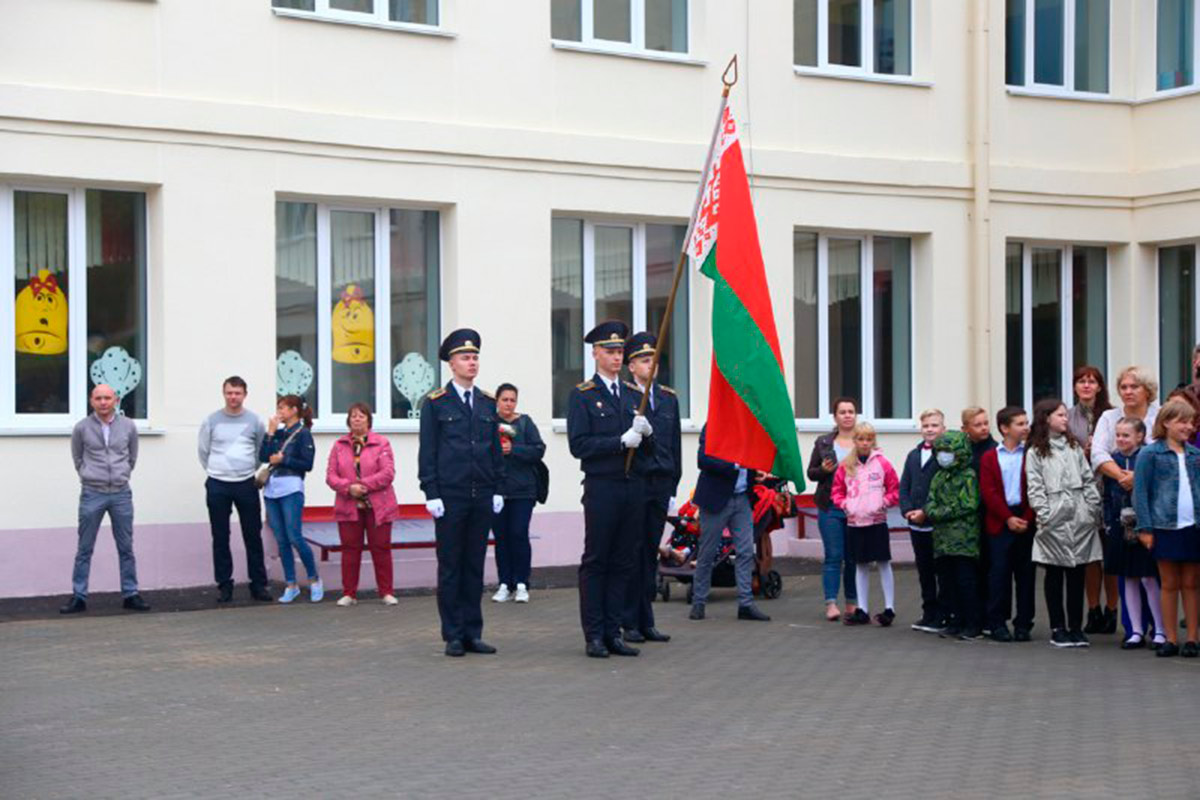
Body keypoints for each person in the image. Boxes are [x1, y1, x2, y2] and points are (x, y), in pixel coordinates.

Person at [566, 320, 656, 659]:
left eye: (620, 351)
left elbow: (650, 449)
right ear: (595, 354)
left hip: (632, 486)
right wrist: (619, 441)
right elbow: (579, 444)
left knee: (623, 561)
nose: (617, 357)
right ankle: (594, 634)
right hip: (602, 486)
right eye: (610, 351)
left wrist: (647, 434)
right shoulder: (583, 396)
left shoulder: (634, 395)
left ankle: (614, 632)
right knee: (597, 560)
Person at [419, 328, 505, 657]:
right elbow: (428, 451)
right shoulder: (436, 404)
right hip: (450, 496)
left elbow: (494, 449)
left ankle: (473, 632)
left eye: (475, 357)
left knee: (474, 565)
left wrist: (498, 486)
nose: (472, 363)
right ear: (451, 364)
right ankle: (453, 634)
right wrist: (431, 492)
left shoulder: (486, 403)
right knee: (451, 565)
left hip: (481, 493)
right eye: (465, 358)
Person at [60, 384, 150, 614]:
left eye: (107, 398)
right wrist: (88, 476)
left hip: (121, 493)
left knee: (126, 547)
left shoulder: (128, 426)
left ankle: (131, 594)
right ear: (91, 401)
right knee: (84, 548)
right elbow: (77, 458)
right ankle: (79, 596)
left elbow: (132, 457)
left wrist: (122, 474)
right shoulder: (81, 428)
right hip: (93, 493)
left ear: (116, 400)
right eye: (98, 398)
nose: (103, 402)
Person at [1026, 399, 1104, 649]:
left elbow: (1088, 478)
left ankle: (1075, 627)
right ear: (1046, 418)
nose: (1065, 419)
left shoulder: (1073, 447)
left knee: (1077, 572)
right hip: (1054, 517)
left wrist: (1091, 508)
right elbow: (1035, 486)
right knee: (1054, 572)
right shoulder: (1035, 451)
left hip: (1080, 515)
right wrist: (1045, 513)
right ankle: (1058, 627)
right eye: (1060, 415)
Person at [621, 332, 681, 644]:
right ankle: (628, 620)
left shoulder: (668, 397)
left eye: (654, 358)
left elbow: (673, 446)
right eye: (645, 360)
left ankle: (647, 620)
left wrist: (673, 488)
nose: (651, 364)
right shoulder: (626, 397)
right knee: (632, 553)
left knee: (650, 554)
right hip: (636, 484)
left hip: (660, 483)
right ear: (631, 366)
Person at [1090, 366, 1160, 633]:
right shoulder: (1109, 417)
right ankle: (1133, 628)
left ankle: (1159, 626)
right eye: (1124, 387)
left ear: (1147, 390)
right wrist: (1123, 476)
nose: (1128, 392)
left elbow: (1163, 450)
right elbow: (1098, 453)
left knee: (1151, 565)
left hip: (1152, 500)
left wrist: (1139, 478)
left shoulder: (1158, 414)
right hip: (1117, 498)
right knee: (1124, 563)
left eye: (1134, 387)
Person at [1132, 399, 1200, 658]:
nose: (1188, 426)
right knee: (1169, 583)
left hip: (1192, 526)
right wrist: (1145, 528)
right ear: (1166, 423)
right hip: (1163, 526)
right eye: (1183, 421)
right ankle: (1170, 638)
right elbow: (1141, 492)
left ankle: (1192, 637)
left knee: (1192, 583)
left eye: (1191, 421)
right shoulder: (1150, 454)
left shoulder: (1195, 455)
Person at [198, 376, 271, 603]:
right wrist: (217, 470)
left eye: (237, 393)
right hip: (218, 484)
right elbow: (203, 451)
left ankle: (258, 585)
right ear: (224, 393)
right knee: (220, 536)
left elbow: (261, 452)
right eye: (229, 393)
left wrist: (247, 469)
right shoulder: (211, 420)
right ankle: (224, 585)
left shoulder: (255, 421)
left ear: (245, 395)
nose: (233, 397)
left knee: (253, 535)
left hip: (246, 483)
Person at [689, 425, 772, 623]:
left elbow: (751, 458)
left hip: (742, 497)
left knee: (745, 551)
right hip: (716, 499)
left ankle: (745, 604)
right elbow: (703, 460)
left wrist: (754, 471)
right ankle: (698, 602)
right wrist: (735, 465)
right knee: (707, 553)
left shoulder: (748, 428)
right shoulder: (714, 425)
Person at [326, 402, 398, 607]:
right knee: (350, 549)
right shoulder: (339, 445)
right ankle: (349, 593)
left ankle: (386, 592)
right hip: (349, 506)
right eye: (353, 416)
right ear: (348, 420)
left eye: (361, 416)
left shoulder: (381, 443)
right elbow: (331, 476)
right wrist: (349, 488)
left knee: (381, 548)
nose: (357, 419)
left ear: (369, 420)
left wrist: (363, 485)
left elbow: (388, 473)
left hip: (379, 506)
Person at [1102, 417, 1164, 650]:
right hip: (1120, 527)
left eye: (1126, 435)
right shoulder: (1113, 461)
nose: (1120, 439)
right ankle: (1135, 630)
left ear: (1140, 436)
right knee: (1128, 577)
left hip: (1144, 526)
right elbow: (1107, 495)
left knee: (1149, 577)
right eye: (1118, 435)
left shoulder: (1148, 458)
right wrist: (1109, 522)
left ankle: (1159, 628)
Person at [831, 422, 900, 626]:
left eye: (868, 439)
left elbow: (894, 489)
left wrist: (884, 503)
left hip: (876, 521)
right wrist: (846, 505)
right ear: (854, 441)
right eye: (860, 439)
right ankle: (862, 609)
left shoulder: (883, 463)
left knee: (883, 563)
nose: (864, 443)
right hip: (855, 522)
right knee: (860, 564)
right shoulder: (845, 465)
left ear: (873, 441)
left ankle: (890, 608)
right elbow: (837, 491)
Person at [979, 407, 1036, 642]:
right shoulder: (991, 456)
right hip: (1000, 520)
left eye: (1026, 423)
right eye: (1020, 423)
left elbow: (1036, 486)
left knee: (1025, 575)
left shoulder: (1031, 453)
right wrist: (1007, 518)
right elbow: (989, 491)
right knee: (999, 575)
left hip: (1026, 517)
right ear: (1004, 428)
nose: (1026, 427)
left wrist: (1027, 517)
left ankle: (1024, 623)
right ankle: (997, 623)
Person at [261, 395, 321, 603]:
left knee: (294, 536)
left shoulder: (303, 434)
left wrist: (284, 459)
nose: (279, 412)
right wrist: (269, 432)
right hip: (271, 489)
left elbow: (307, 463)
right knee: (281, 539)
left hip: (291, 488)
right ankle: (291, 584)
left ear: (294, 410)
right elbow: (263, 455)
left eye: (283, 408)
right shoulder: (278, 433)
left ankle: (314, 579)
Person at [491, 383, 546, 605]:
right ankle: (505, 583)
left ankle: (522, 583)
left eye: (512, 400)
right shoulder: (490, 423)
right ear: (497, 401)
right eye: (504, 399)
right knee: (501, 537)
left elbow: (538, 449)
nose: (508, 404)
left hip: (524, 490)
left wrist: (514, 450)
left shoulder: (525, 422)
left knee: (518, 533)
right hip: (497, 491)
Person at [924, 431, 981, 640]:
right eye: (940, 451)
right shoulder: (939, 476)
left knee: (966, 581)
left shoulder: (968, 475)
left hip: (964, 540)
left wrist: (940, 512)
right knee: (948, 583)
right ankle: (955, 621)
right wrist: (934, 511)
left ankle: (972, 623)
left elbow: (968, 504)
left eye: (947, 451)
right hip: (942, 540)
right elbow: (930, 502)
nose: (943, 456)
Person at [806, 398, 860, 622]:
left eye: (851, 411)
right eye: (842, 412)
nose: (847, 415)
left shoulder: (864, 440)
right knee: (834, 556)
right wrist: (823, 470)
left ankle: (851, 603)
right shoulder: (824, 442)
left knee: (853, 558)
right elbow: (811, 473)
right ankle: (831, 604)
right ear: (835, 417)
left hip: (856, 509)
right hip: (830, 507)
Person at [899, 409, 947, 633]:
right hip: (915, 525)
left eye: (935, 425)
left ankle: (943, 614)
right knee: (924, 570)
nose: (930, 429)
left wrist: (926, 512)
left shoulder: (946, 457)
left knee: (942, 571)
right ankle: (928, 613)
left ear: (943, 429)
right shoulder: (913, 455)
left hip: (936, 525)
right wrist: (907, 510)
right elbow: (905, 486)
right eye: (926, 425)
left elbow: (944, 492)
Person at [962, 406, 996, 632]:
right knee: (969, 571)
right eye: (978, 425)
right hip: (967, 519)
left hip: (988, 517)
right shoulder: (962, 451)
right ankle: (970, 617)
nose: (984, 428)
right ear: (966, 429)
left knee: (988, 569)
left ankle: (988, 618)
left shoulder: (993, 450)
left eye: (986, 423)